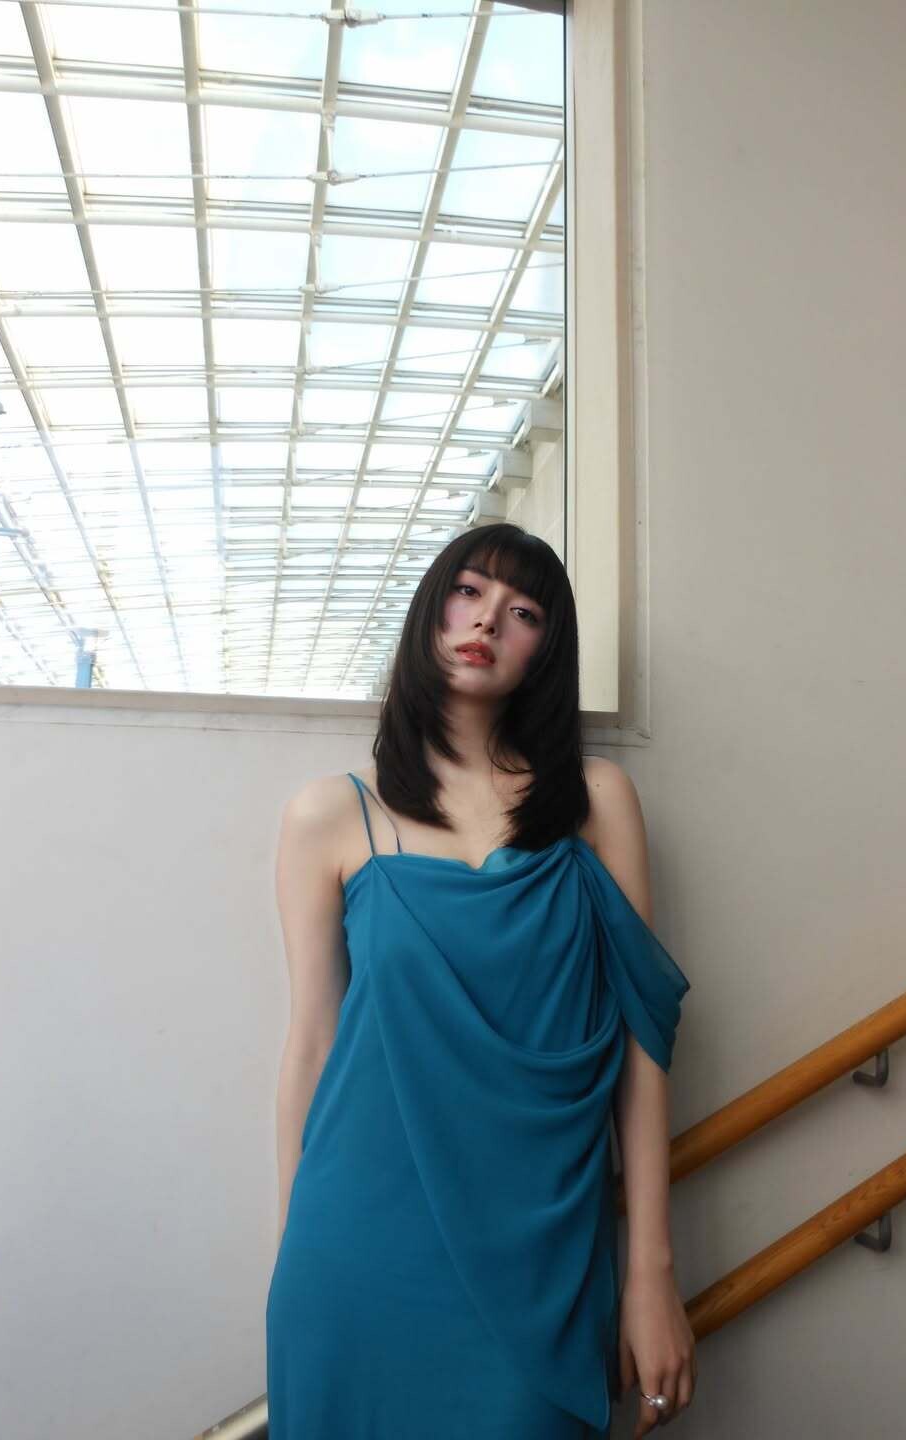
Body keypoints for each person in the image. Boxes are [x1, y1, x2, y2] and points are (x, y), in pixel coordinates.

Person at [265, 522, 695, 1438]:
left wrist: (650, 1270)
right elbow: (312, 1043)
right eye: (468, 591)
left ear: (547, 650)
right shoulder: (330, 815)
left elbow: (643, 1043)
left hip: (545, 1242)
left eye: (524, 610)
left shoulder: (596, 802)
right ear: (432, 608)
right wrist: (293, 1252)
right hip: (356, 1247)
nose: (488, 619)